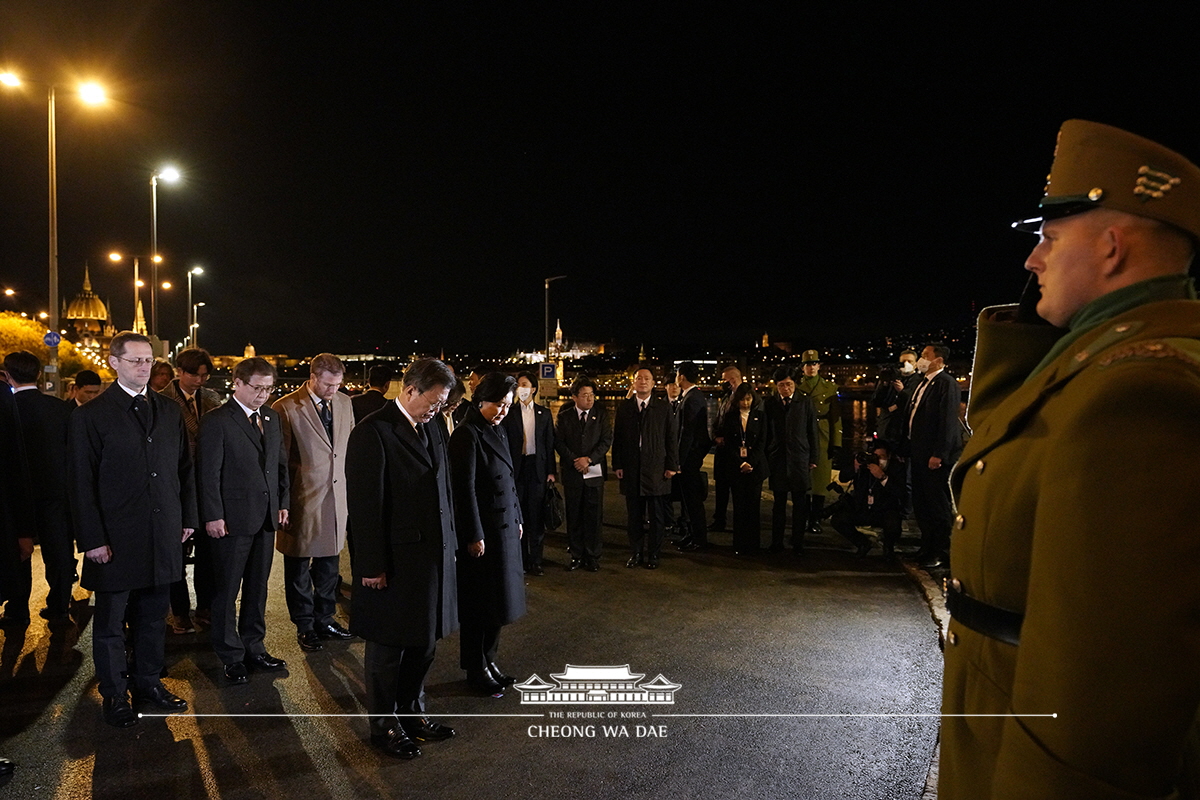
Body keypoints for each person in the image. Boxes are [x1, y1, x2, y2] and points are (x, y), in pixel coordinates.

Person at [939, 119, 1200, 799]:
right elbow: (1002, 439)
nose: (1031, 261)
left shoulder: (1140, 390)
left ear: (1112, 248)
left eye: (1049, 240)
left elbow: (1103, 694)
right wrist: (1029, 326)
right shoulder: (1102, 362)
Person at [68, 331, 195, 727]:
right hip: (114, 538)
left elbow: (184, 471)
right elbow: (79, 481)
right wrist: (92, 539)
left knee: (154, 617)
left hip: (162, 533)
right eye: (136, 360)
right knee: (109, 624)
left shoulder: (170, 410)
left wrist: (187, 518)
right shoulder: (90, 415)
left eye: (149, 361)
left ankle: (148, 684)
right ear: (114, 362)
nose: (144, 367)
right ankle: (113, 695)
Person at [347, 357, 459, 759]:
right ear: (409, 390)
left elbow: (444, 493)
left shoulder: (434, 429)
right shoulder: (372, 432)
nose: (437, 409)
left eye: (443, 403)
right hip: (394, 562)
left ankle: (413, 713)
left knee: (424, 644)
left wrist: (454, 544)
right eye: (433, 400)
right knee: (388, 649)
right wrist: (371, 566)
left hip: (432, 560)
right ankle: (384, 726)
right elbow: (364, 507)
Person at [196, 357, 290, 684]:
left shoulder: (272, 418)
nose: (263, 394)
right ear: (237, 383)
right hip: (230, 520)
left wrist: (282, 503)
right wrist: (213, 515)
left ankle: (255, 646)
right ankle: (230, 654)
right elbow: (208, 474)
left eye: (269, 388)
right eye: (257, 388)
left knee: (257, 588)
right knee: (226, 590)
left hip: (265, 518)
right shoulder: (217, 421)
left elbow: (279, 466)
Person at [450, 372, 526, 694]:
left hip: (504, 530)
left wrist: (519, 517)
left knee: (500, 604)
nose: (503, 412)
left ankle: (490, 660)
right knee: (479, 606)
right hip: (484, 534)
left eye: (507, 406)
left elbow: (510, 479)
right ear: (481, 400)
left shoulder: (498, 430)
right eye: (498, 405)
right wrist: (473, 534)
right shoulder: (467, 434)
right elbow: (463, 490)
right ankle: (475, 668)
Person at [274, 353, 355, 653]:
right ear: (313, 378)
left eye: (338, 385)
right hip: (302, 498)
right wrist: (282, 503)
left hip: (337, 498)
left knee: (329, 566)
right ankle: (305, 625)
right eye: (329, 385)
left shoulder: (346, 404)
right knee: (297, 567)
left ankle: (326, 618)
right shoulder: (285, 407)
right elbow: (280, 461)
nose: (334, 391)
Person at [2, 351, 74, 623]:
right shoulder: (60, 409)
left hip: (16, 494)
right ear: (39, 375)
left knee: (18, 551)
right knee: (59, 553)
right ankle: (59, 608)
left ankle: (18, 610)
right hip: (55, 493)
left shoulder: (7, 408)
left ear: (8, 375)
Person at [158, 346, 222, 633]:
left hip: (208, 485)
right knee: (176, 554)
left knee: (210, 554)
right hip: (178, 485)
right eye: (194, 375)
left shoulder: (211, 398)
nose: (200, 380)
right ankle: (180, 611)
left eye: (204, 375)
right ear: (180, 372)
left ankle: (206, 607)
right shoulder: (161, 401)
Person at [611, 367, 679, 569]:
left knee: (657, 515)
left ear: (653, 383)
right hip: (631, 467)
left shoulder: (663, 407)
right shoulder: (625, 408)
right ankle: (637, 552)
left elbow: (671, 438)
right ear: (633, 383)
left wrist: (672, 465)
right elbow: (618, 439)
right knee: (634, 515)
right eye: (638, 378)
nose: (642, 381)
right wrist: (618, 464)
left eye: (646, 378)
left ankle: (654, 554)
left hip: (656, 467)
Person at [903, 343, 961, 569]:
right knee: (922, 503)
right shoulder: (922, 383)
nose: (921, 359)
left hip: (933, 457)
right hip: (918, 453)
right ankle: (926, 546)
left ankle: (942, 551)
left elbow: (947, 422)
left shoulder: (946, 384)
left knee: (937, 504)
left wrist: (939, 454)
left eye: (926, 356)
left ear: (938, 360)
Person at [554, 376, 611, 572]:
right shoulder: (565, 416)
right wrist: (575, 460)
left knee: (594, 515)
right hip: (572, 472)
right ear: (574, 397)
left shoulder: (601, 414)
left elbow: (606, 440)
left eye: (592, 395)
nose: (589, 399)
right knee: (575, 514)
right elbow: (559, 442)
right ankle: (576, 554)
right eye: (585, 395)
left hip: (594, 471)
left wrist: (590, 459)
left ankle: (593, 555)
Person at [501, 372, 555, 576]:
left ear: (533, 389)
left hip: (537, 469)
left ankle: (537, 560)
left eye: (525, 385)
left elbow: (549, 444)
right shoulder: (509, 412)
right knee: (518, 516)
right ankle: (521, 561)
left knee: (536, 517)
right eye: (518, 385)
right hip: (517, 467)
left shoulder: (544, 413)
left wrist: (551, 471)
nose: (521, 389)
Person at [763, 366, 819, 553]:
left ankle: (798, 541)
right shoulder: (770, 403)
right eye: (781, 385)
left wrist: (813, 457)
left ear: (794, 384)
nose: (785, 389)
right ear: (776, 386)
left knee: (800, 503)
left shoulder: (805, 402)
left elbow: (812, 431)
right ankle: (776, 541)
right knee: (778, 503)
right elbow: (766, 432)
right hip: (777, 457)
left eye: (788, 384)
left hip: (799, 457)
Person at [828, 440, 904, 557]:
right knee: (838, 519)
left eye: (881, 456)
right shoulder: (865, 465)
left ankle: (888, 548)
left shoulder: (896, 467)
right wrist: (855, 467)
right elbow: (843, 477)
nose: (878, 460)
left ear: (888, 456)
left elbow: (901, 492)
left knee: (893, 523)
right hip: (862, 508)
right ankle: (862, 543)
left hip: (884, 511)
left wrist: (883, 477)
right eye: (875, 456)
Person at [795, 350, 842, 535]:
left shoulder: (830, 388)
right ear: (803, 367)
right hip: (803, 434)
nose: (811, 367)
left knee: (821, 479)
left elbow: (836, 418)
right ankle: (804, 517)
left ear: (819, 366)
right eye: (808, 364)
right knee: (804, 479)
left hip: (822, 434)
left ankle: (815, 519)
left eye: (814, 363)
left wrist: (836, 443)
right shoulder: (797, 387)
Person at [720, 383, 769, 554]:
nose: (745, 403)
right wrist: (740, 463)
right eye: (742, 400)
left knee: (753, 507)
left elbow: (762, 442)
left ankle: (753, 544)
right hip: (736, 467)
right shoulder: (730, 417)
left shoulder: (761, 417)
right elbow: (729, 444)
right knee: (739, 507)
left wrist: (751, 462)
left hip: (755, 468)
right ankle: (739, 544)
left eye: (748, 399)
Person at [674, 361, 711, 552]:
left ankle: (699, 538)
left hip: (690, 457)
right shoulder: (691, 396)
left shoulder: (692, 398)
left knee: (692, 499)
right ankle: (691, 535)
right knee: (688, 499)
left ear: (682, 377)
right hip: (691, 455)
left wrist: (678, 460)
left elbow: (687, 432)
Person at [708, 364, 742, 532]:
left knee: (736, 490)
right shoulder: (727, 397)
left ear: (733, 379)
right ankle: (719, 519)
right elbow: (718, 420)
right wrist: (714, 436)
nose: (723, 383)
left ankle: (737, 522)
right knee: (721, 487)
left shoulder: (745, 398)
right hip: (722, 450)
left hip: (734, 451)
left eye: (725, 380)